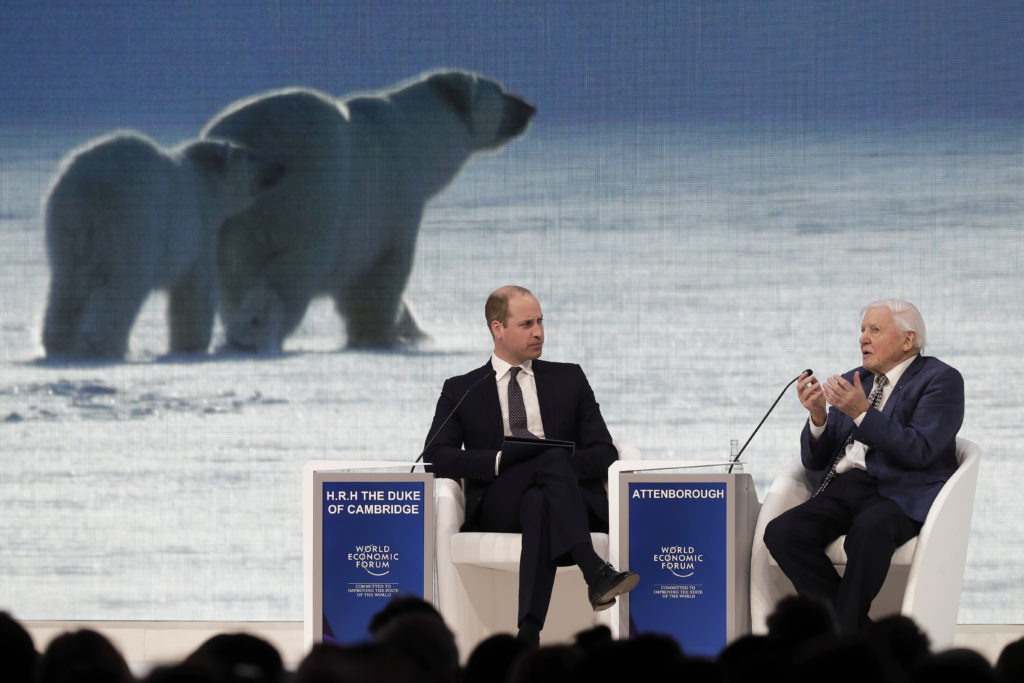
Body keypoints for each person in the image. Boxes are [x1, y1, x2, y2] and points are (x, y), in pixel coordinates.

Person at [423, 285, 638, 643]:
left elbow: (604, 451)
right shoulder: (462, 388)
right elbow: (436, 455)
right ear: (498, 328)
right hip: (499, 500)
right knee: (545, 465)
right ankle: (593, 569)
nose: (538, 332)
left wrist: (557, 465)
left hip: (565, 499)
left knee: (540, 496)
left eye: (540, 321)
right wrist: (499, 461)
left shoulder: (569, 378)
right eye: (526, 324)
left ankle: (528, 632)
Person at [764, 299, 964, 634]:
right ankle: (856, 633)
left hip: (901, 491)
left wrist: (862, 414)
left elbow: (921, 450)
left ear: (908, 340)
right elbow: (815, 461)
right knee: (782, 533)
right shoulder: (854, 380)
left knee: (869, 532)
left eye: (875, 330)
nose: (862, 339)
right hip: (845, 489)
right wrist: (818, 417)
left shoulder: (940, 380)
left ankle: (842, 634)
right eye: (862, 330)